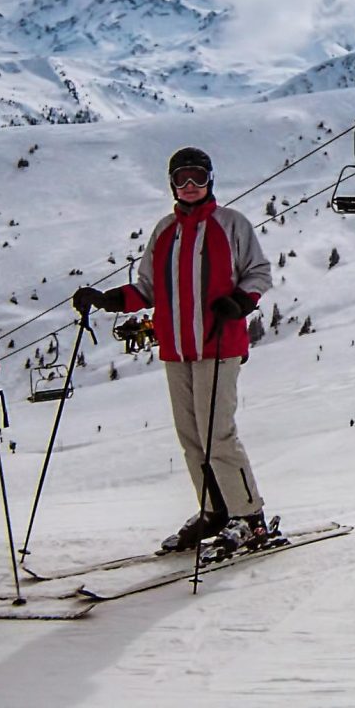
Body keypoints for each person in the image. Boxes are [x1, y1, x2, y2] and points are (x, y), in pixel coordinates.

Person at [73, 147, 273, 555]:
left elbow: (259, 272)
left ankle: (249, 517)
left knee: (218, 431)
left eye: (197, 177)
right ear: (171, 184)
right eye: (182, 179)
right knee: (191, 436)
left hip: (219, 343)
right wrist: (107, 299)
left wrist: (241, 302)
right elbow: (146, 287)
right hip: (177, 348)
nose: (190, 186)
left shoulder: (231, 224)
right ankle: (216, 509)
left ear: (210, 180)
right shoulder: (166, 231)